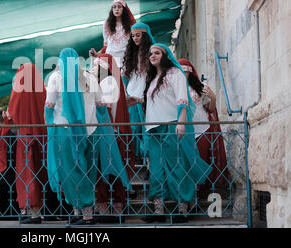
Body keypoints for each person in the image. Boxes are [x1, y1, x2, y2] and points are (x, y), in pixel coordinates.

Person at [45, 48, 131, 225]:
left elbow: (49, 105)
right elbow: (100, 105)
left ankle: (86, 213)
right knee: (87, 172)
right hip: (91, 132)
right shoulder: (90, 78)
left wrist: (49, 125)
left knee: (70, 173)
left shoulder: (56, 78)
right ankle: (79, 211)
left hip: (65, 132)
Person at [141, 44, 212, 223]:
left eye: (157, 53)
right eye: (150, 53)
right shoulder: (151, 78)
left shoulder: (175, 73)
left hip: (172, 125)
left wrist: (181, 122)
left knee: (177, 166)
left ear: (165, 56)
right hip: (153, 129)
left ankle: (183, 209)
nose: (152, 56)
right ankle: (158, 211)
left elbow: (183, 99)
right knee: (156, 169)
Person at [0, 63, 54, 224]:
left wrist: (7, 116)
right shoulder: (42, 89)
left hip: (25, 139)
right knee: (42, 175)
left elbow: (12, 113)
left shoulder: (19, 89)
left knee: (27, 176)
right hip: (42, 138)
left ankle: (32, 213)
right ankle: (44, 210)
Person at [91, 53, 135, 223]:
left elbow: (105, 109)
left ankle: (112, 206)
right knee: (106, 171)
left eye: (96, 65)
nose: (93, 68)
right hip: (108, 133)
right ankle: (110, 205)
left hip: (109, 134)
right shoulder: (105, 83)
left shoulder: (108, 82)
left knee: (108, 171)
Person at [178, 58, 229, 195]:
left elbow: (210, 110)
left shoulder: (201, 86)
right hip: (183, 131)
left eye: (186, 71)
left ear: (190, 72)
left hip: (202, 129)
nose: (183, 74)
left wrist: (213, 98)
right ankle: (188, 195)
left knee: (202, 160)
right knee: (186, 163)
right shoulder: (173, 87)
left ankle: (200, 192)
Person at [122, 22, 155, 159]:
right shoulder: (131, 53)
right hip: (132, 93)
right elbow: (125, 74)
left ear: (145, 35)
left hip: (147, 94)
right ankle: (138, 157)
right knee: (134, 127)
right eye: (133, 36)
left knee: (147, 128)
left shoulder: (153, 52)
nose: (135, 38)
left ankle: (149, 162)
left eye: (138, 35)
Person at [89, 0, 136, 68]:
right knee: (107, 78)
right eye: (114, 7)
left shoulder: (130, 25)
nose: (116, 9)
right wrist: (96, 54)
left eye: (119, 7)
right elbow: (106, 45)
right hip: (109, 60)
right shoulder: (106, 24)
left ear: (124, 9)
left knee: (120, 78)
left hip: (125, 60)